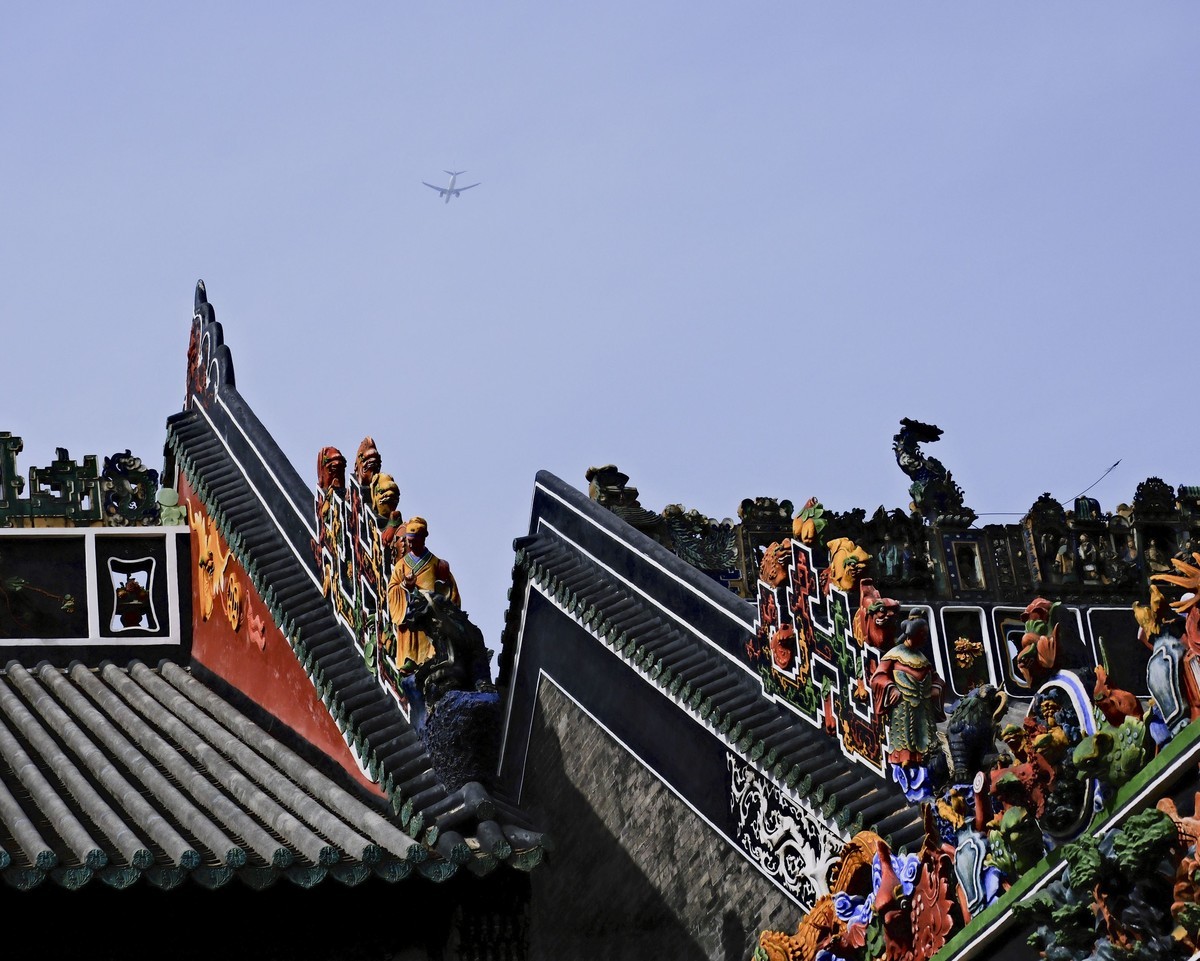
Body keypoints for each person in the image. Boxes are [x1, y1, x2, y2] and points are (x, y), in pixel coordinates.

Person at [870, 615, 946, 767]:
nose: (925, 638)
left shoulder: (922, 658)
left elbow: (936, 678)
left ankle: (929, 757)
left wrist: (936, 688)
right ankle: (904, 758)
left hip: (924, 707)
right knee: (904, 734)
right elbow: (878, 677)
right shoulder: (895, 654)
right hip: (903, 707)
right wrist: (891, 688)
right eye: (922, 634)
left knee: (928, 737)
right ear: (912, 634)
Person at [386, 517, 460, 668]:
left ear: (424, 538)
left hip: (430, 611)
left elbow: (450, 591)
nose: (410, 544)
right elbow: (392, 588)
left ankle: (433, 656)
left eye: (415, 540)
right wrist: (405, 586)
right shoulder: (401, 565)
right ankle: (410, 659)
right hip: (410, 611)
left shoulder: (437, 564)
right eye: (409, 540)